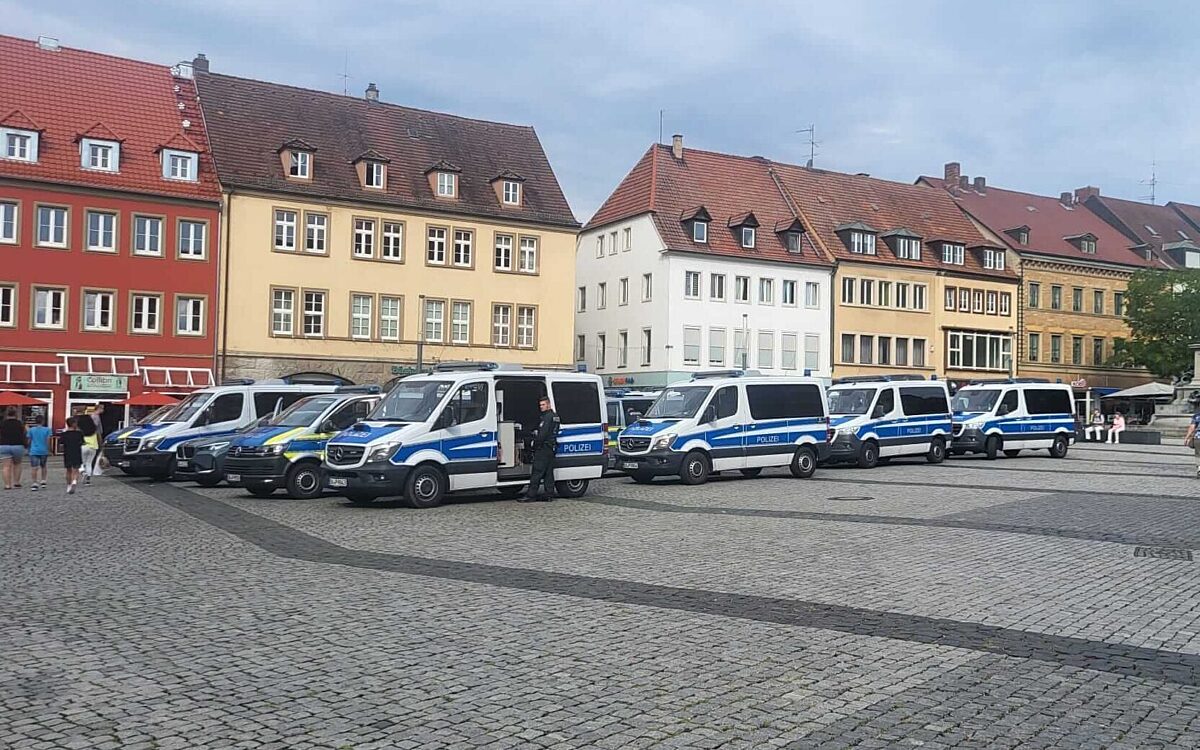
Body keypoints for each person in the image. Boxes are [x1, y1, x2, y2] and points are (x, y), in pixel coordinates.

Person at [521, 395, 560, 502]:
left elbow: (542, 434)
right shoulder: (555, 416)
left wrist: (534, 444)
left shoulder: (547, 417)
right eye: (540, 405)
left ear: (548, 404)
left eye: (543, 405)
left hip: (543, 448)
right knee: (548, 473)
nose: (541, 407)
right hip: (551, 447)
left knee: (537, 471)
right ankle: (549, 494)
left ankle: (531, 495)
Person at [0, 407, 27, 490]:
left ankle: (7, 485)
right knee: (17, 464)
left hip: (4, 445)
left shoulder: (2, 423)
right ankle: (16, 482)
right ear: (15, 414)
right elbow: (25, 433)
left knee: (5, 466)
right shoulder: (20, 423)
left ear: (6, 413)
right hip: (18, 446)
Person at [60, 417, 84, 494]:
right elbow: (82, 442)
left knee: (68, 470)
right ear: (74, 424)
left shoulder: (64, 434)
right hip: (76, 452)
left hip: (67, 453)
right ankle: (74, 481)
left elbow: (61, 444)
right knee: (76, 469)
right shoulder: (79, 433)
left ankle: (69, 485)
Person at [27, 416, 51, 491]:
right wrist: (49, 449)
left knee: (34, 467)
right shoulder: (47, 429)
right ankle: (43, 481)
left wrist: (28, 448)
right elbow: (48, 440)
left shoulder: (31, 430)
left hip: (34, 450)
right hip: (43, 450)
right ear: (43, 421)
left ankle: (34, 483)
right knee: (43, 466)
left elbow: (29, 440)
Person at [76, 409, 99, 484]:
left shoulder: (79, 429)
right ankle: (88, 480)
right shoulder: (94, 428)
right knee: (89, 463)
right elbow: (99, 437)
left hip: (83, 446)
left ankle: (83, 472)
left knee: (80, 463)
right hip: (93, 447)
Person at [1185, 407, 1200, 478]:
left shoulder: (1197, 416)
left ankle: (1199, 468)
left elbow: (1192, 428)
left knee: (1198, 454)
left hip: (1198, 438)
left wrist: (1186, 438)